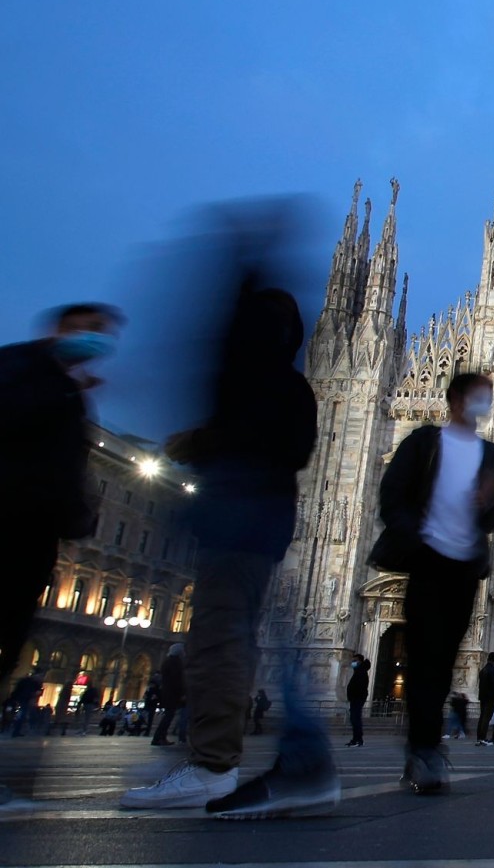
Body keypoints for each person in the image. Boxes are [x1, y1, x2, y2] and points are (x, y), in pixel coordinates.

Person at [122, 281, 336, 818]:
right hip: (266, 531)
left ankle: (215, 767)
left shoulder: (264, 387)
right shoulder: (292, 388)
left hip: (239, 528)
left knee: (222, 639)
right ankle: (303, 760)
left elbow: (265, 446)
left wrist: (200, 444)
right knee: (255, 640)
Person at [378, 368, 494, 790]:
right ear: (454, 399)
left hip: (463, 568)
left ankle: (425, 749)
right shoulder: (423, 443)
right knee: (423, 659)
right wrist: (414, 536)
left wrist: (487, 502)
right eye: (478, 395)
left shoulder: (490, 455)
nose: (484, 404)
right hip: (427, 562)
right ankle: (423, 748)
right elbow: (391, 495)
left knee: (442, 661)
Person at [0, 303, 123, 695]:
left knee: (14, 627)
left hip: (37, 528)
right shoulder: (21, 369)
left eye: (102, 332)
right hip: (12, 517)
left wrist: (77, 515)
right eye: (89, 329)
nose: (97, 339)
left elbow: (67, 464)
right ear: (61, 328)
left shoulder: (67, 387)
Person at [151, 643, 186, 746]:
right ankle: (159, 738)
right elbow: (177, 680)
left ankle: (160, 738)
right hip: (172, 694)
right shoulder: (175, 663)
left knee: (168, 716)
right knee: (168, 717)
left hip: (167, 693)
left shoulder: (168, 661)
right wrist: (182, 693)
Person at [475, 651, 494, 747]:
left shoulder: (483, 670)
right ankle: (482, 738)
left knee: (482, 717)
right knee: (486, 718)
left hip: (483, 697)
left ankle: (479, 738)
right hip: (490, 699)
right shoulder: (493, 671)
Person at [8, 670, 43, 738]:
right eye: (40, 676)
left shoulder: (28, 681)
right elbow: (33, 692)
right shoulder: (31, 683)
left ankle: (17, 730)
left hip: (23, 700)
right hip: (24, 700)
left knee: (22, 715)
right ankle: (17, 731)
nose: (41, 678)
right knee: (23, 715)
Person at [345, 655, 370, 748]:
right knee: (354, 719)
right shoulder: (359, 671)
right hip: (356, 698)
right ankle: (356, 739)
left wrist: (354, 696)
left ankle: (358, 740)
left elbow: (359, 687)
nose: (353, 662)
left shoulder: (361, 671)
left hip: (357, 698)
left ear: (359, 661)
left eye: (354, 660)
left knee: (355, 719)